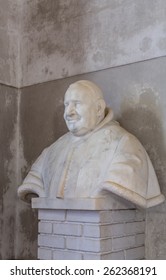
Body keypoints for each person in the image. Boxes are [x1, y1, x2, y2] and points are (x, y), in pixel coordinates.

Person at [18, 80, 165, 208]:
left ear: (99, 109)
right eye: (66, 104)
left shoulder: (124, 144)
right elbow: (34, 181)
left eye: (77, 104)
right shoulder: (52, 150)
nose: (68, 112)